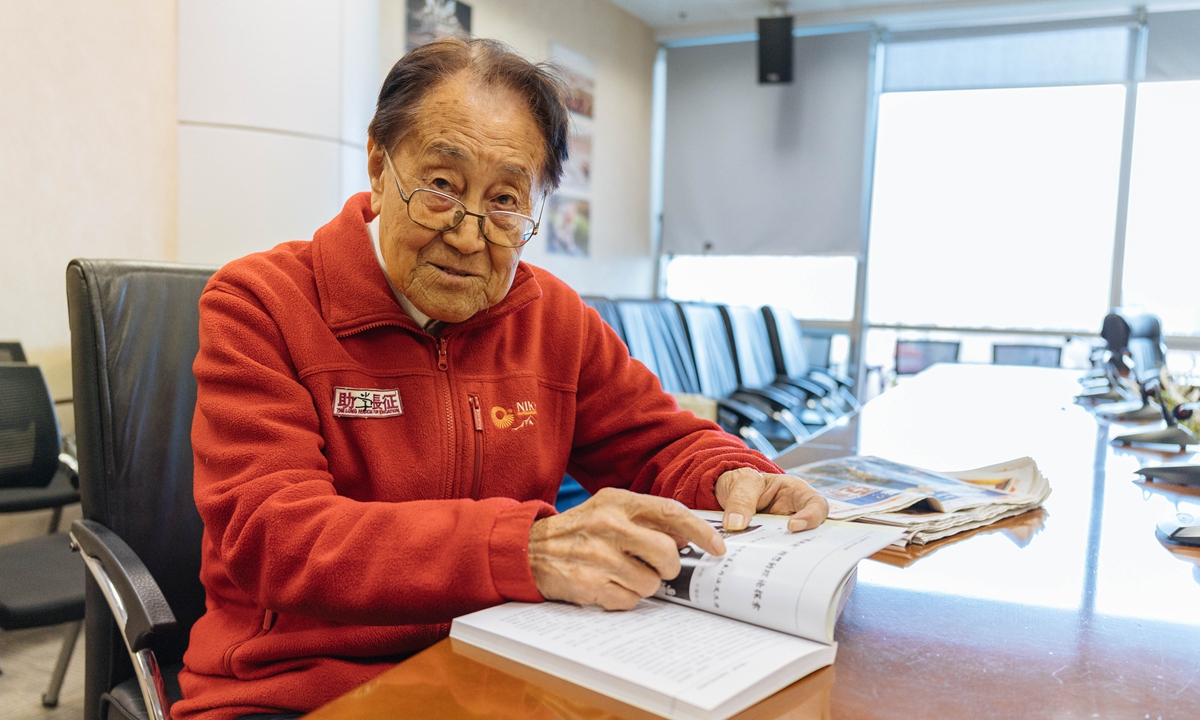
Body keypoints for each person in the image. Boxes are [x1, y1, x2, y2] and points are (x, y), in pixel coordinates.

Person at [173, 37, 829, 720]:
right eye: (440, 187)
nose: (466, 235)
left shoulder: (555, 317)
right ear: (378, 163)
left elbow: (658, 442)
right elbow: (274, 536)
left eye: (506, 201)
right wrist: (524, 549)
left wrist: (732, 475)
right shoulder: (260, 303)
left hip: (497, 668)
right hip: (297, 688)